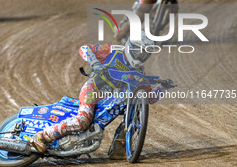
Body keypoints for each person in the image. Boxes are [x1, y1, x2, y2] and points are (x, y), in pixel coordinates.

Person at [29, 32, 174, 159]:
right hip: (94, 89)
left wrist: (162, 87)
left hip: (110, 99)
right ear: (130, 46)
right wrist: (95, 63)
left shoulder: (139, 71)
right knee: (83, 120)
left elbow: (149, 98)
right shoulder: (114, 51)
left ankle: (119, 146)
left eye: (145, 53)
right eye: (139, 51)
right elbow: (85, 48)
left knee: (133, 106)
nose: (141, 55)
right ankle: (41, 136)